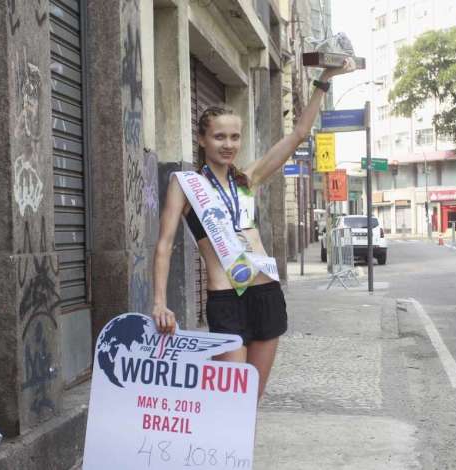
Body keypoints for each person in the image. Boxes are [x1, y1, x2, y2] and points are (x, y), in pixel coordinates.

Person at [152, 59, 356, 399]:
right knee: (230, 400)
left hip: (266, 295)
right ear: (202, 139)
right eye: (219, 137)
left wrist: (324, 80)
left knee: (251, 400)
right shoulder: (186, 185)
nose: (228, 144)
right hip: (226, 299)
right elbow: (163, 245)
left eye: (234, 137)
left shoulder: (247, 180)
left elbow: (298, 134)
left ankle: (240, 455)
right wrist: (160, 303)